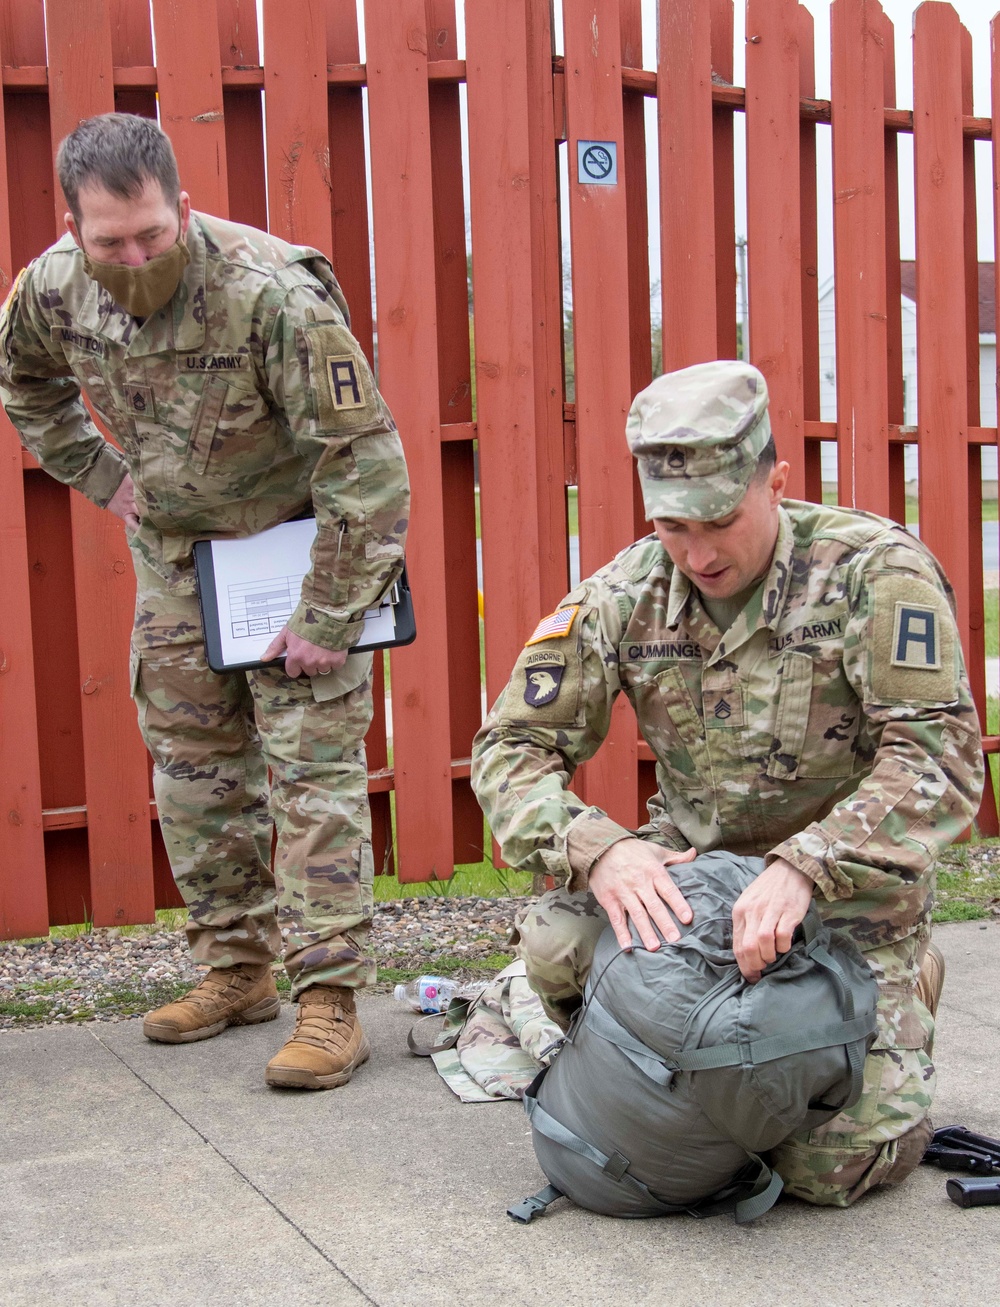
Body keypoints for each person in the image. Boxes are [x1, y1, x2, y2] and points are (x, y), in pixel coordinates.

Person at [471, 359, 983, 1205]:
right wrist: (600, 851)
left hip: (838, 903)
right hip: (695, 887)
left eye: (719, 519)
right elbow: (510, 744)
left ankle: (904, 984)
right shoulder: (625, 592)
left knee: (820, 1171)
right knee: (557, 946)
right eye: (673, 526)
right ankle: (657, 1056)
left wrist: (807, 862)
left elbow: (941, 756)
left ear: (775, 480)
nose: (698, 554)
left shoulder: (871, 572)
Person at [0, 113, 409, 1090]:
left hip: (297, 548)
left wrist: (327, 609)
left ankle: (329, 1003)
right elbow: (26, 384)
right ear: (74, 231)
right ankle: (236, 971)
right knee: (193, 775)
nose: (135, 256)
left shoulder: (270, 292)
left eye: (152, 233)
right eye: (111, 243)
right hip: (180, 563)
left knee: (310, 779)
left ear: (181, 206)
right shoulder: (50, 293)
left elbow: (368, 459)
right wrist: (100, 476)